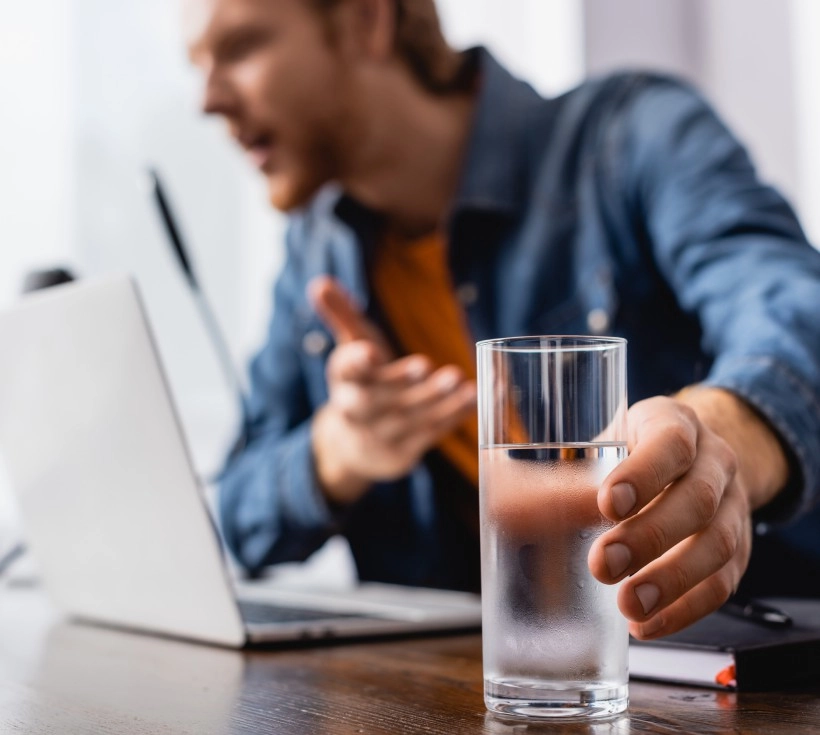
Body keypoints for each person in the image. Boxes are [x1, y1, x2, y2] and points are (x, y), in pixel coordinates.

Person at [184, 0, 820, 639]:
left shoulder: (633, 133)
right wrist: (337, 452)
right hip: (472, 691)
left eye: (239, 48)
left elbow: (792, 308)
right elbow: (234, 516)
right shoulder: (315, 256)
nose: (206, 101)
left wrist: (716, 436)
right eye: (197, 65)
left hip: (735, 669)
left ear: (365, 21)